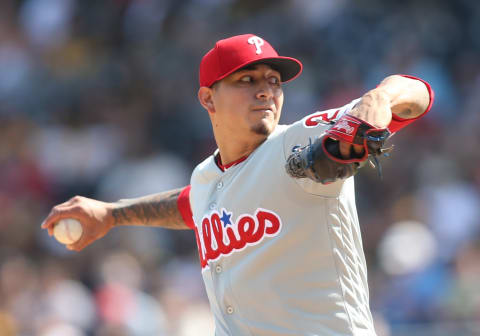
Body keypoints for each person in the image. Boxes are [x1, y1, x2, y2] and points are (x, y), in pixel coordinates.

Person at [42, 34, 433, 335]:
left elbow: (418, 95)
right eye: (247, 80)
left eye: (273, 81)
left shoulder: (300, 137)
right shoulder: (206, 176)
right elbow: (191, 204)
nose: (266, 90)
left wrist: (380, 95)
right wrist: (112, 214)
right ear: (208, 99)